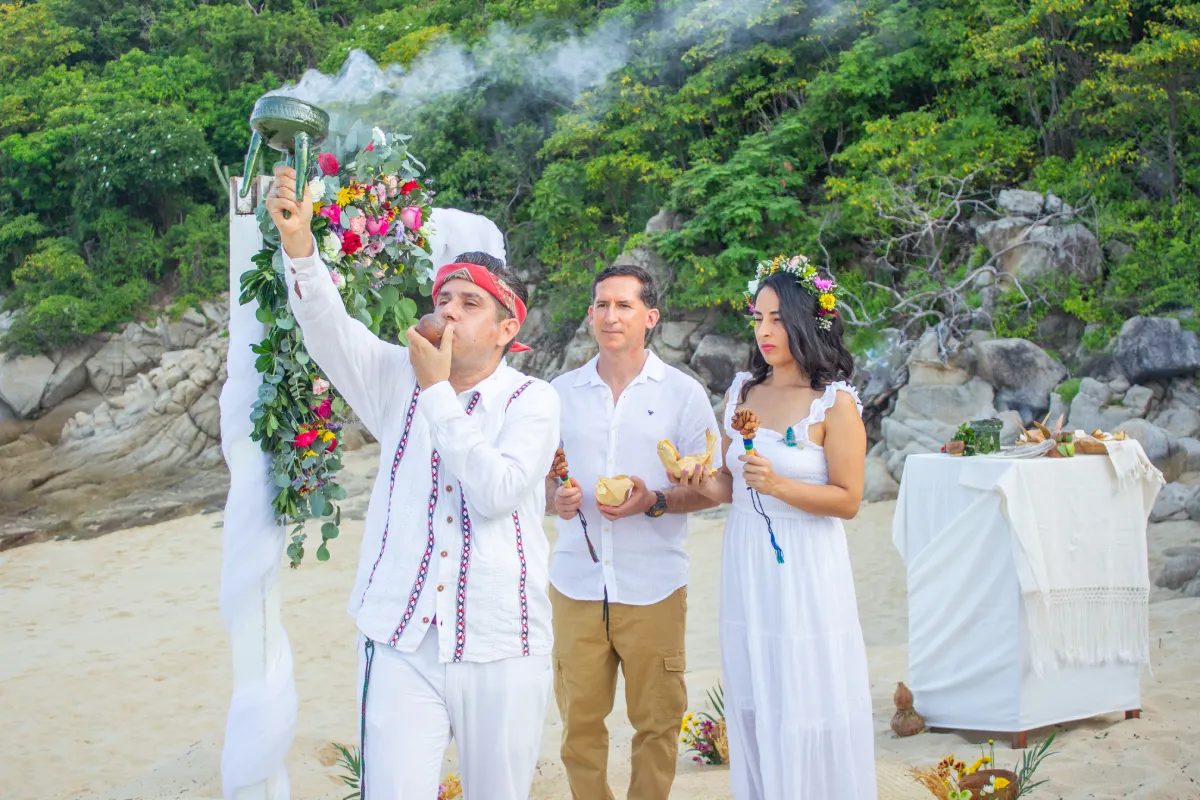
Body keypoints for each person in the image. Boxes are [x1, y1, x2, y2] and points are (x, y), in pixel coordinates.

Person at [265, 165, 561, 799]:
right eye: (443, 299)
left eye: (469, 304)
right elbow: (328, 330)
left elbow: (497, 491)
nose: (448, 313)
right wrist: (300, 247)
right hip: (399, 639)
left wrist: (438, 394)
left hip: (501, 642)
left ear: (507, 330)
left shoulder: (532, 400)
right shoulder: (396, 376)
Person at [672, 256, 877, 798]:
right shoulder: (742, 392)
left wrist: (780, 485)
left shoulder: (834, 403)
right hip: (748, 559)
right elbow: (726, 486)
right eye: (757, 318)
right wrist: (694, 477)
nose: (764, 331)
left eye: (778, 319)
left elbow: (850, 499)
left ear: (809, 321)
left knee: (808, 691)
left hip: (808, 563)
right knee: (758, 691)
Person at [547, 263, 721, 800]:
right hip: (576, 583)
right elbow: (536, 485)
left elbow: (715, 487)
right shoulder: (557, 394)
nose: (610, 315)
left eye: (623, 305)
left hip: (655, 587)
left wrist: (655, 501)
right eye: (601, 304)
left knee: (658, 724)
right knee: (579, 728)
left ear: (650, 316)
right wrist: (558, 499)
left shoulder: (683, 394)